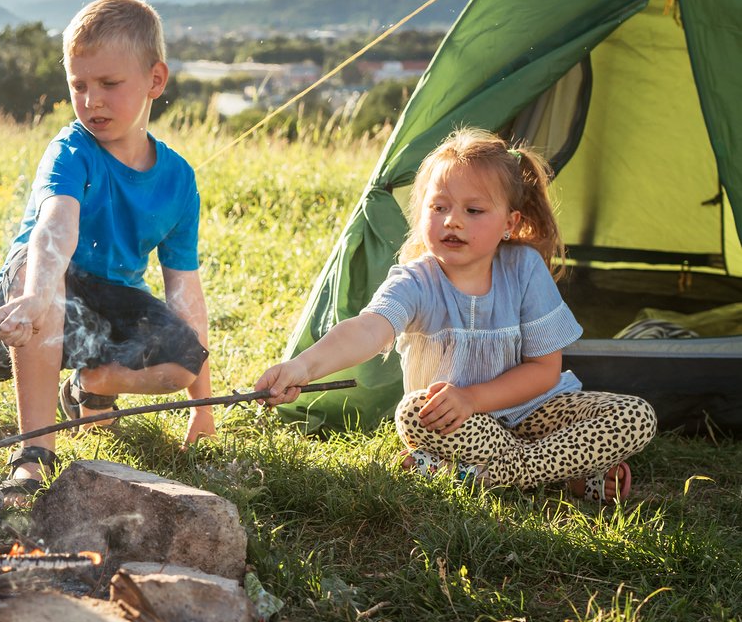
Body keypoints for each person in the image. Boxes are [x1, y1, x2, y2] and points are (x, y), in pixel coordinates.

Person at [254, 128, 658, 500]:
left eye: (474, 211)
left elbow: (544, 371)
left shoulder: (524, 268)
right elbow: (366, 329)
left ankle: (479, 474)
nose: (452, 221)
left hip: (537, 410)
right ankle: (561, 473)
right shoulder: (416, 281)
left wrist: (473, 397)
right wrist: (302, 367)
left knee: (634, 415)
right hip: (457, 425)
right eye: (439, 207)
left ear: (509, 222)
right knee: (414, 413)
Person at [0, 0, 212, 503]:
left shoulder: (178, 180)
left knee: (182, 362)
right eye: (79, 86)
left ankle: (88, 386)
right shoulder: (71, 151)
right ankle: (34, 452)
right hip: (37, 293)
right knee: (45, 277)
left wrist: (203, 407)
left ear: (156, 80)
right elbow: (56, 226)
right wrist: (40, 293)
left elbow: (185, 291)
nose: (92, 101)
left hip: (110, 303)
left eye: (110, 85)